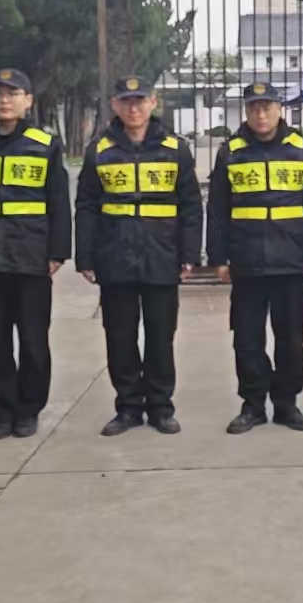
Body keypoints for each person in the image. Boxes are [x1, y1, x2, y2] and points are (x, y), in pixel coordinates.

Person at [75, 76, 202, 436]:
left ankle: (161, 407)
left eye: (140, 100)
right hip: (115, 256)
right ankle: (128, 407)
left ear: (153, 102)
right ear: (115, 105)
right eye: (126, 101)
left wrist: (190, 254)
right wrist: (85, 257)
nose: (133, 108)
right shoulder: (99, 150)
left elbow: (191, 206)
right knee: (120, 337)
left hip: (162, 255)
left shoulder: (175, 148)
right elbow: (86, 206)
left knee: (161, 337)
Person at [0, 68, 71, 440]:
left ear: (28, 101)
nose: (5, 100)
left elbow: (58, 202)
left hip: (31, 257)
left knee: (33, 341)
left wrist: (57, 252)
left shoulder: (45, 144)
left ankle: (29, 409)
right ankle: (4, 410)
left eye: (13, 93)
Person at [206, 81, 303, 434]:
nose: (260, 114)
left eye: (267, 107)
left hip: (290, 260)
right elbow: (218, 209)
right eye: (254, 108)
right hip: (247, 260)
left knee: (291, 340)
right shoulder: (231, 152)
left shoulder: (302, 150)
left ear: (279, 109)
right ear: (246, 111)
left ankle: (287, 404)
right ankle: (253, 405)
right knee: (247, 340)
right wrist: (219, 257)